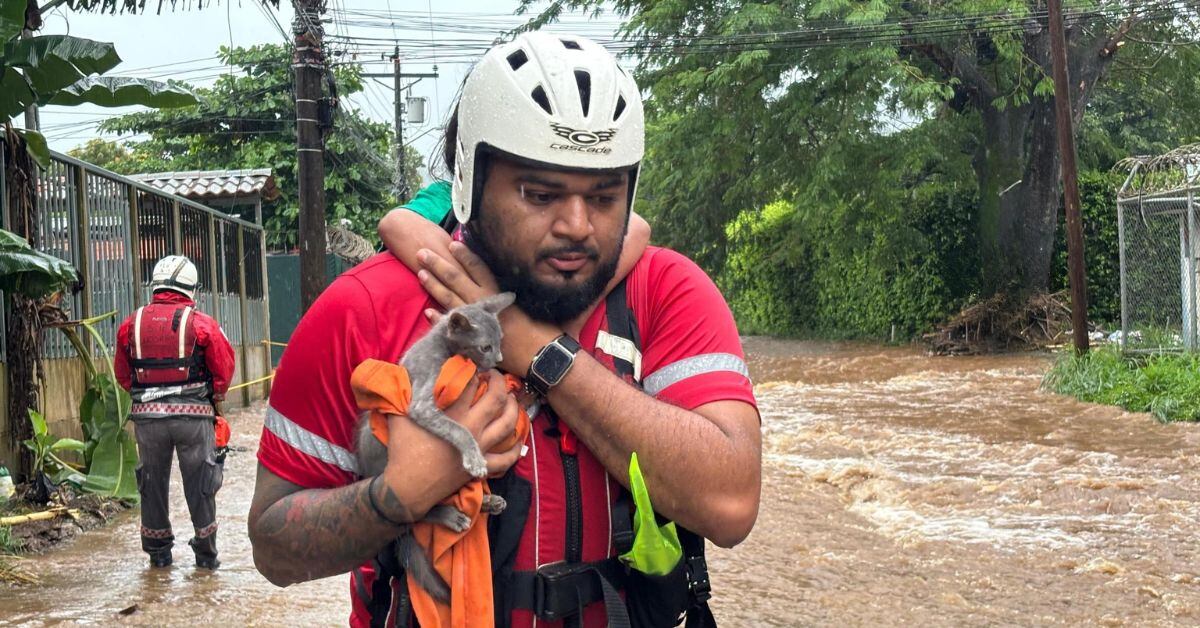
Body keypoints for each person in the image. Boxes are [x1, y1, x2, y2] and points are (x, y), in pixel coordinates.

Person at [249, 31, 761, 628]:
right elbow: (273, 550)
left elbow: (730, 505)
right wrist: (397, 494)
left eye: (603, 196)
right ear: (469, 179)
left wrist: (542, 353)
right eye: (539, 193)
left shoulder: (665, 292)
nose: (577, 225)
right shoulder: (362, 308)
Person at [115, 255, 235, 570]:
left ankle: (158, 555)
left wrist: (145, 398)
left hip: (147, 420)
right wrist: (216, 396)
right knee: (201, 483)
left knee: (151, 483)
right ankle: (206, 556)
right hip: (193, 418)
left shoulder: (131, 324)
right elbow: (223, 368)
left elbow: (123, 375)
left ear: (155, 285)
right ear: (191, 288)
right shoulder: (202, 324)